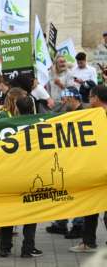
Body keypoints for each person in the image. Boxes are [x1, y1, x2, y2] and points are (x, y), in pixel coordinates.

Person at [0, 90, 42, 259]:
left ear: (16, 108)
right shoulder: (39, 124)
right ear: (32, 108)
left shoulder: (8, 126)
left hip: (11, 174)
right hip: (31, 175)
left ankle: (5, 247)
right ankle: (27, 248)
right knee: (31, 213)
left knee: (9, 212)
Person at [69, 85, 107, 253]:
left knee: (99, 209)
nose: (89, 101)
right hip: (96, 169)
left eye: (90, 98)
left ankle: (89, 242)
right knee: (91, 206)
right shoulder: (92, 116)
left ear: (96, 98)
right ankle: (88, 242)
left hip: (101, 169)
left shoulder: (97, 117)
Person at [45, 86, 84, 239]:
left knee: (78, 194)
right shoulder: (67, 112)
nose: (62, 101)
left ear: (73, 98)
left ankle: (78, 225)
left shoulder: (83, 114)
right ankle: (61, 223)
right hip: (67, 158)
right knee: (62, 192)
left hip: (79, 160)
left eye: (65, 98)